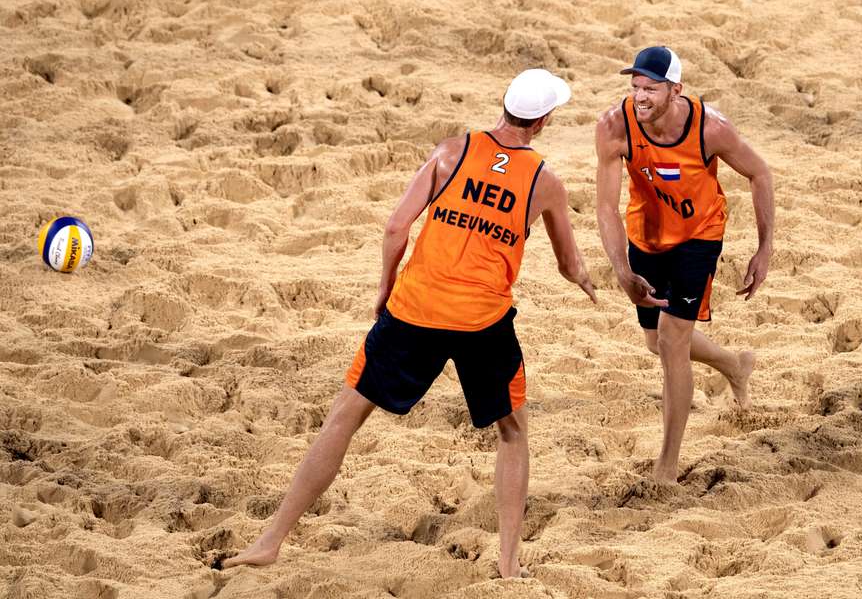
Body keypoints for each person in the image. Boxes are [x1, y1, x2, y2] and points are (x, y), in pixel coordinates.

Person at [224, 69, 597, 577]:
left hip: (415, 308)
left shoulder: (451, 152)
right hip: (482, 321)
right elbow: (568, 264)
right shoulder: (545, 183)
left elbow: (397, 225)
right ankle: (509, 565)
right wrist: (587, 282)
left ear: (503, 105)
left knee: (343, 418)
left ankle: (270, 541)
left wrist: (385, 286)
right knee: (512, 433)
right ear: (545, 120)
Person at [594, 46, 774, 483]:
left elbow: (760, 173)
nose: (640, 96)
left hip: (699, 235)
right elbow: (605, 206)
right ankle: (733, 364)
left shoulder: (710, 128)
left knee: (674, 342)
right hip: (646, 236)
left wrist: (764, 248)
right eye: (635, 86)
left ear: (676, 90)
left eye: (651, 88)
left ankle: (667, 468)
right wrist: (620, 268)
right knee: (654, 341)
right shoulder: (614, 126)